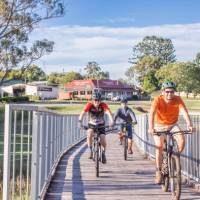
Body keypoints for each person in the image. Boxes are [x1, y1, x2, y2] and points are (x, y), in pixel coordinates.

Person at [148, 80, 195, 184]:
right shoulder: (158, 100)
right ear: (163, 92)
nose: (169, 94)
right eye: (167, 91)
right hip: (159, 125)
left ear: (174, 92)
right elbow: (151, 113)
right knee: (159, 146)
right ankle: (158, 171)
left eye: (172, 92)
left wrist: (190, 125)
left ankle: (171, 158)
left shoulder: (178, 99)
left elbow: (184, 112)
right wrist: (151, 127)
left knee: (182, 141)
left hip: (173, 125)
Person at [78, 91, 114, 163]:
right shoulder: (89, 105)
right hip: (92, 124)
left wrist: (112, 121)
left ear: (100, 100)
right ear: (92, 100)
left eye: (98, 100)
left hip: (101, 125)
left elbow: (108, 112)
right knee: (89, 133)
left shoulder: (103, 105)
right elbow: (83, 113)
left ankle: (103, 153)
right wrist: (80, 122)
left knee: (103, 139)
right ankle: (90, 150)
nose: (97, 102)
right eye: (95, 100)